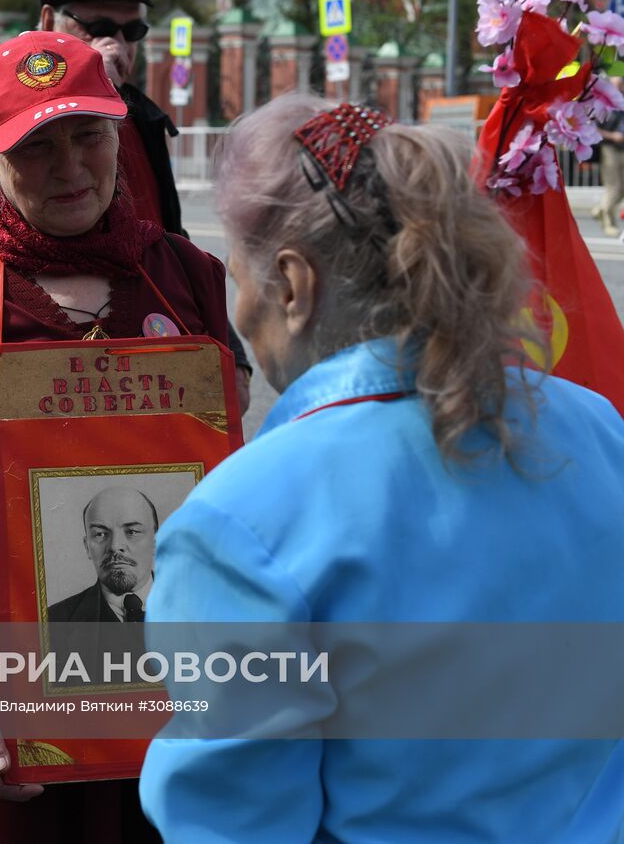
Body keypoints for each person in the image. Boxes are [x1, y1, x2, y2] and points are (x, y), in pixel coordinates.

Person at [138, 96, 624, 839]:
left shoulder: (243, 518)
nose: (238, 306)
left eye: (240, 276)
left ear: (294, 286)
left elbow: (234, 819)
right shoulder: (595, 427)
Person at [0, 32, 231, 843]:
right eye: (36, 145)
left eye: (87, 135)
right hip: (13, 711)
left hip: (173, 695)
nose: (69, 166)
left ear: (118, 139)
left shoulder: (187, 275)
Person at [0, 0, 253, 412]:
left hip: (151, 314)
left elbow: (168, 230)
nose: (115, 43)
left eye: (130, 32)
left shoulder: (137, 108)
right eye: (96, 27)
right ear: (49, 19)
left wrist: (225, 343)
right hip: (57, 334)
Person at [46, 487, 158, 624]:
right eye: (100, 534)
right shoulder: (52, 621)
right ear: (87, 547)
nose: (114, 546)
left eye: (132, 532)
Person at [593, 75, 624, 237]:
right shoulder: (603, 105)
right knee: (613, 187)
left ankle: (601, 209)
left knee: (622, 189)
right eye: (614, 85)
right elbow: (594, 128)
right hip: (610, 148)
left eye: (620, 85)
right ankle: (608, 223)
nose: (617, 88)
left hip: (622, 149)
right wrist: (613, 136)